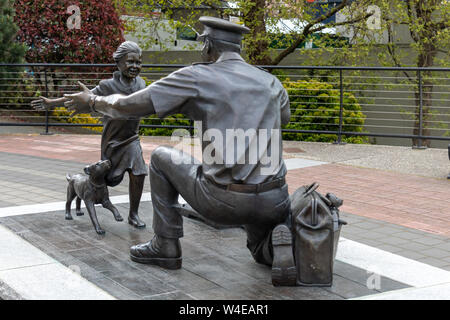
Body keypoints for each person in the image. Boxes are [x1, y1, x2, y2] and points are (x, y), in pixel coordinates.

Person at [64, 17, 296, 286]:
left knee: (162, 157)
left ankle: (166, 246)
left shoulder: (197, 76)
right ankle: (278, 240)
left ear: (208, 45)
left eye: (202, 44)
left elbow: (126, 106)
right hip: (275, 199)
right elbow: (284, 118)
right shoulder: (270, 82)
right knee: (258, 251)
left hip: (224, 201)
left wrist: (92, 101)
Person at [31, 41, 148, 228]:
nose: (135, 66)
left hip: (132, 139)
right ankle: (80, 190)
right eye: (130, 62)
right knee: (106, 177)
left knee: (139, 172)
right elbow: (81, 98)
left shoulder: (141, 83)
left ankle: (133, 215)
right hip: (113, 140)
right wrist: (52, 103)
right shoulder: (107, 85)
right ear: (118, 63)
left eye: (138, 62)